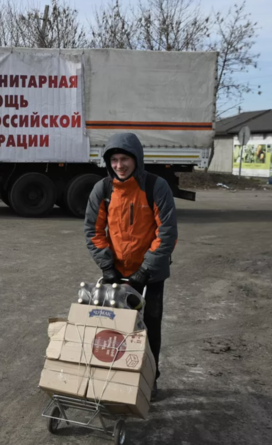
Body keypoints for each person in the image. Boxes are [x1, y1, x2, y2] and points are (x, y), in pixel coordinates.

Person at [83, 132, 178, 402]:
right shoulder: (102, 189)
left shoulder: (156, 187)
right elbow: (93, 230)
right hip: (117, 271)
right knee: (114, 327)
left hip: (151, 273)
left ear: (137, 159)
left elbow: (167, 232)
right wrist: (107, 266)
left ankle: (150, 378)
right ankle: (115, 377)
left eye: (125, 158)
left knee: (150, 326)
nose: (119, 165)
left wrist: (144, 273)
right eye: (114, 159)